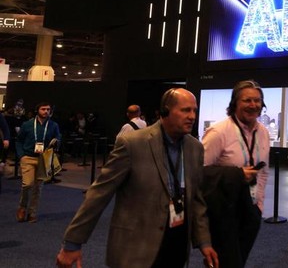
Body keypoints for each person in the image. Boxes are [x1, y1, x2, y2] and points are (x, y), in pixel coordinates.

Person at [55, 88, 219, 268]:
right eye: (186, 110)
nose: (192, 116)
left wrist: (204, 241)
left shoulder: (195, 148)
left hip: (176, 244)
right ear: (165, 111)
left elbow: (196, 199)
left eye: (194, 110)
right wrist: (73, 242)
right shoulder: (132, 144)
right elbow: (99, 194)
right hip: (136, 249)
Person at [202, 79, 271, 266]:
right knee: (224, 262)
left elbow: (263, 171)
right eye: (247, 100)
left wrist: (259, 206)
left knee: (239, 261)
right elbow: (198, 172)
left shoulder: (263, 132)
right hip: (223, 211)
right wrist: (236, 175)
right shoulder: (218, 132)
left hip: (251, 210)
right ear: (234, 104)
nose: (253, 105)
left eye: (257, 100)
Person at [16, 101, 61, 223]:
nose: (46, 111)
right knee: (27, 184)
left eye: (48, 109)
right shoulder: (27, 124)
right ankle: (22, 207)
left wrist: (56, 143)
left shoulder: (53, 125)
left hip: (44, 158)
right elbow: (19, 140)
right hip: (28, 158)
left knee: (38, 187)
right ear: (38, 110)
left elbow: (58, 138)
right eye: (43, 109)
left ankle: (32, 212)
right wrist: (21, 156)